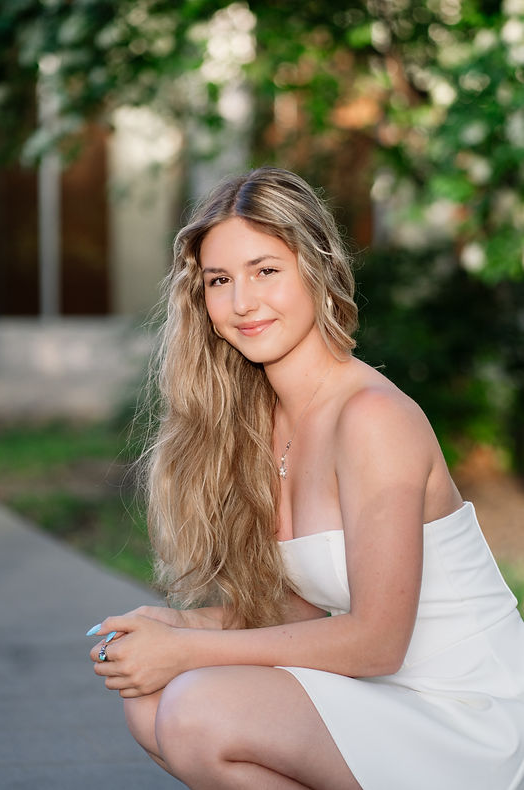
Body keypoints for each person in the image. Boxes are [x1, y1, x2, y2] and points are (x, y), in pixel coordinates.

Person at [88, 167, 524, 790]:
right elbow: (294, 615)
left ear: (316, 272)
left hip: (464, 709)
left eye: (265, 270)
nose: (242, 301)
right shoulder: (257, 426)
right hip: (380, 697)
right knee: (151, 701)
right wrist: (172, 628)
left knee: (196, 710)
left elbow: (376, 643)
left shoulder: (374, 419)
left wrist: (189, 652)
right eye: (220, 280)